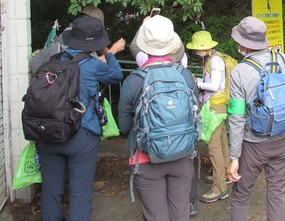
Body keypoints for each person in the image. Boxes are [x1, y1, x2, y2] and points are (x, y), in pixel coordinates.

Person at [36, 16, 124, 221]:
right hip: (82, 135)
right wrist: (108, 51)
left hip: (48, 133)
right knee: (80, 193)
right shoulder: (93, 65)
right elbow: (117, 75)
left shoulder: (51, 62)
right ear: (95, 42)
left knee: (51, 190)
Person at [119, 15, 198, 221]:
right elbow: (195, 111)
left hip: (146, 158)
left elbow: (124, 125)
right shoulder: (185, 75)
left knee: (155, 215)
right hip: (182, 155)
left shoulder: (134, 80)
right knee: (180, 211)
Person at [227, 16, 285, 221]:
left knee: (241, 195)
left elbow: (236, 117)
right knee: (277, 192)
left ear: (244, 44)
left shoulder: (239, 72)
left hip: (253, 145)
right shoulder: (283, 59)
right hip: (283, 139)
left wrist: (234, 157)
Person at [186, 31, 231, 203]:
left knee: (214, 147)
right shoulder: (216, 58)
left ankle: (219, 188)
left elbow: (213, 85)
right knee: (221, 143)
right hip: (219, 105)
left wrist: (198, 82)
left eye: (197, 48)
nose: (196, 51)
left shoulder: (216, 61)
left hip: (215, 107)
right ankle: (225, 174)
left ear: (203, 48)